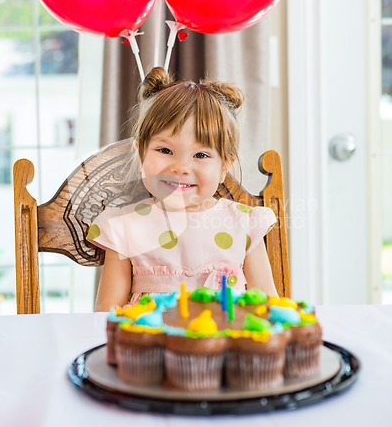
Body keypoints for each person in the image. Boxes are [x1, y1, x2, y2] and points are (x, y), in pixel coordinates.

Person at [88, 67, 278, 311]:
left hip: (227, 344)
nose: (181, 167)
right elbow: (107, 311)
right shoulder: (124, 227)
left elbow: (269, 306)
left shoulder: (244, 223)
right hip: (152, 344)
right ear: (140, 154)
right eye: (165, 151)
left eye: (201, 154)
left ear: (224, 167)